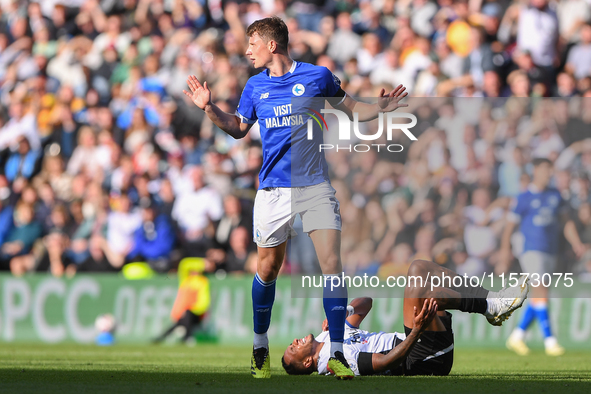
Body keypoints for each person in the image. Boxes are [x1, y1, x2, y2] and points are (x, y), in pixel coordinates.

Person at [183, 16, 408, 379]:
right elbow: (239, 129)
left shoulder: (317, 77)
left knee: (331, 264)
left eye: (252, 44)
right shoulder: (255, 87)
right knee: (268, 269)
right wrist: (208, 108)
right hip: (273, 189)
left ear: (271, 45)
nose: (247, 51)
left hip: (314, 185)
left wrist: (379, 108)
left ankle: (336, 353)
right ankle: (260, 347)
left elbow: (354, 111)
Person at [282, 259, 530, 376]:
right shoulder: (333, 361)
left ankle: (492, 301)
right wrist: (416, 331)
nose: (293, 342)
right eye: (292, 350)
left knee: (419, 269)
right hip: (421, 360)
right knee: (428, 293)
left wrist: (344, 313)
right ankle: (493, 306)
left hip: (421, 344)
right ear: (306, 364)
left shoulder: (330, 337)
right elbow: (387, 362)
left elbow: (366, 303)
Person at [502, 158, 583, 356]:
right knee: (541, 289)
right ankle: (550, 341)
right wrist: (505, 249)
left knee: (539, 295)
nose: (549, 173)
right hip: (531, 250)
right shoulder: (524, 197)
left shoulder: (556, 196)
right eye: (546, 169)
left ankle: (517, 336)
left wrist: (576, 243)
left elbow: (566, 223)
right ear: (536, 170)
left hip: (550, 250)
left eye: (550, 169)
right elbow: (509, 226)